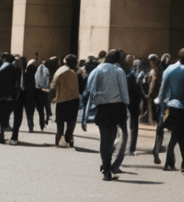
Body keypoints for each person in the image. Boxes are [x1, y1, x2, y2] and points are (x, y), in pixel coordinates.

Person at [86, 50, 132, 181]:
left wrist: (98, 101)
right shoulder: (119, 71)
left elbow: (92, 90)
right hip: (116, 107)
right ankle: (107, 166)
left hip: (102, 108)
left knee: (104, 139)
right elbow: (124, 92)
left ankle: (106, 167)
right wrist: (125, 107)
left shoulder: (98, 70)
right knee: (111, 139)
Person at [158, 49, 184, 172]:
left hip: (172, 106)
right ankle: (176, 163)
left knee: (178, 136)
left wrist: (161, 105)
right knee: (178, 136)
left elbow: (163, 88)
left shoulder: (169, 69)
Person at [51, 55, 81, 146]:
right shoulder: (78, 72)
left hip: (61, 99)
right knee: (71, 121)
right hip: (74, 99)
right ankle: (69, 138)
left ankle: (59, 138)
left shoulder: (60, 71)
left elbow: (53, 85)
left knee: (60, 122)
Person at [0, 52, 23, 144]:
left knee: (0, 116)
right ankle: (13, 136)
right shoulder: (16, 68)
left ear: (4, 59)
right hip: (12, 96)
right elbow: (18, 84)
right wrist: (16, 95)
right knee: (13, 116)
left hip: (0, 96)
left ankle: (1, 134)